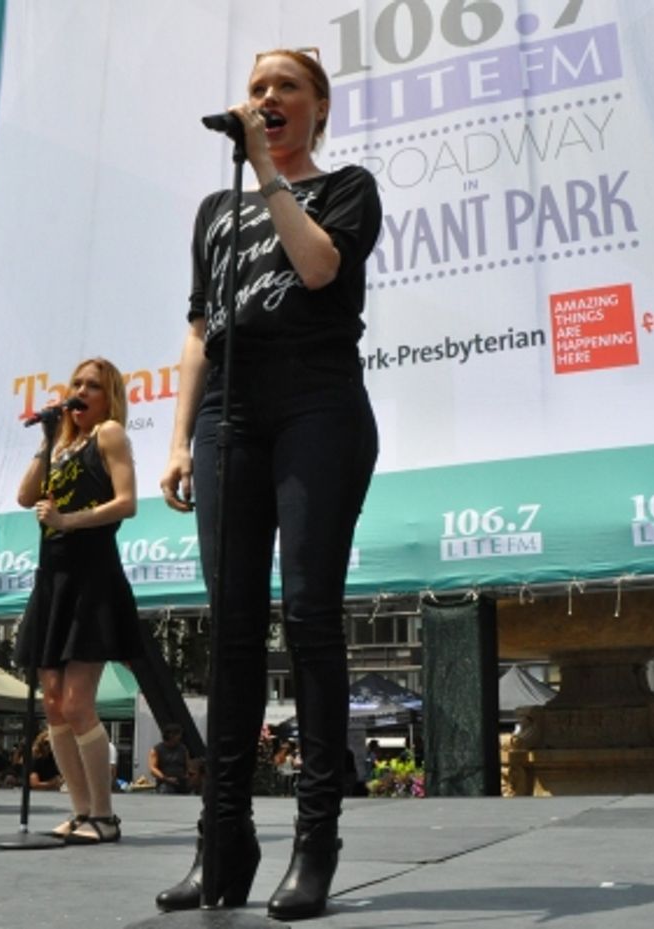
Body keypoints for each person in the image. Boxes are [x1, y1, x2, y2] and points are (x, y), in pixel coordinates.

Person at [156, 47, 382, 920]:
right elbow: (199, 329)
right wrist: (176, 438)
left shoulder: (346, 187)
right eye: (257, 89)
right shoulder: (215, 212)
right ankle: (223, 839)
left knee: (310, 615)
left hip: (319, 408)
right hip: (229, 420)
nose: (267, 99)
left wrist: (266, 168)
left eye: (286, 88)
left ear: (318, 108)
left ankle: (315, 838)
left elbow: (320, 268)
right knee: (232, 631)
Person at [14, 356, 141, 845]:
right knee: (52, 703)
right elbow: (26, 497)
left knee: (77, 701)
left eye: (93, 386)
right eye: (77, 384)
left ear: (109, 397)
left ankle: (105, 816)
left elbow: (126, 502)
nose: (81, 392)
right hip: (53, 581)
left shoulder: (109, 434)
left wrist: (69, 521)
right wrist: (47, 439)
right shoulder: (61, 444)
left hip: (91, 578)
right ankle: (81, 810)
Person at [149, 723, 191, 795]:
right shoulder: (156, 750)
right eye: (178, 735)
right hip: (165, 784)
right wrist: (166, 778)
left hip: (181, 783)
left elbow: (188, 765)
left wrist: (187, 775)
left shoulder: (183, 749)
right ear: (171, 735)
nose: (180, 737)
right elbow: (153, 768)